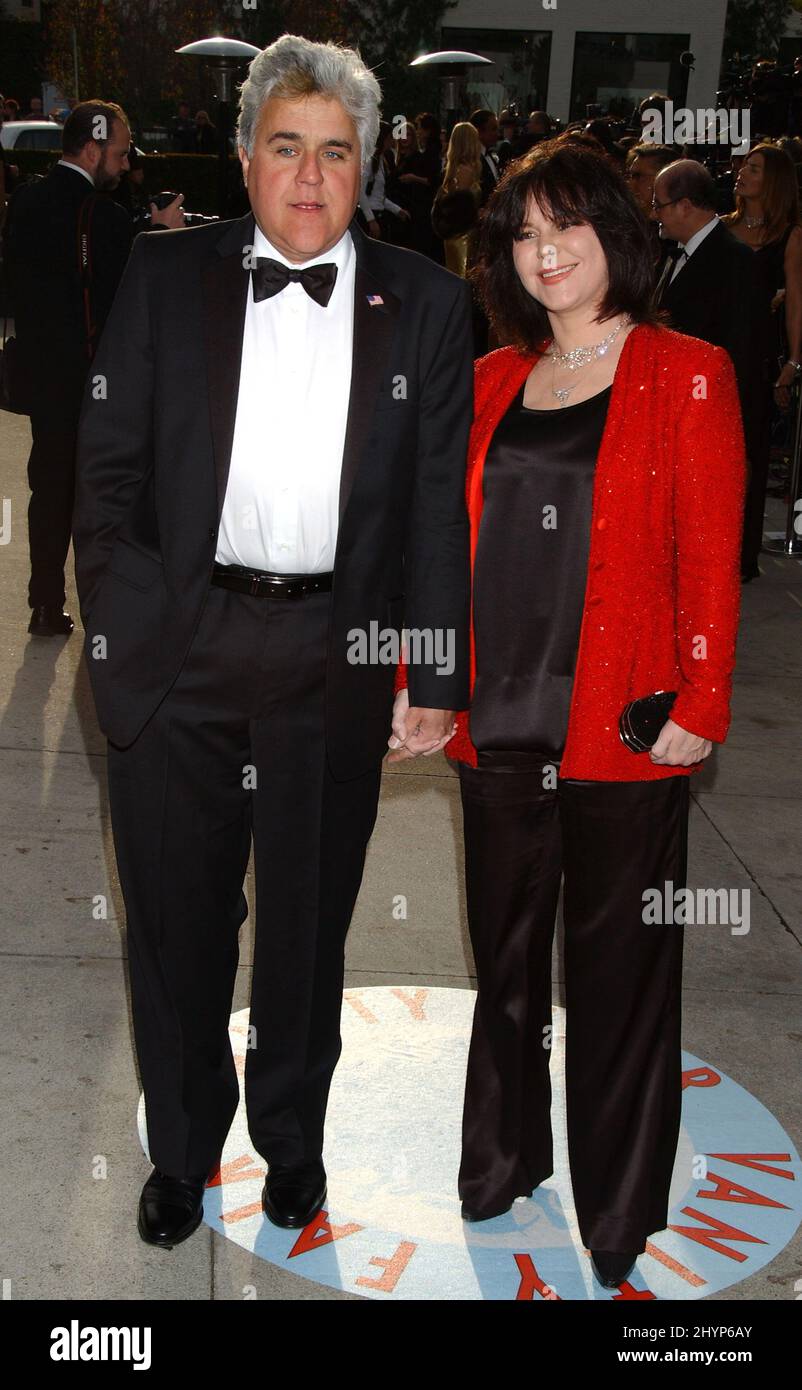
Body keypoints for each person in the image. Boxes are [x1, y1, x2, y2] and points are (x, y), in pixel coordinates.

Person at [71, 32, 472, 1250]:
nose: (309, 177)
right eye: (285, 147)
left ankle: (292, 1142)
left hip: (331, 662)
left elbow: (433, 507)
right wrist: (134, 641)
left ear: (369, 167)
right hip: (181, 655)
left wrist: (432, 669)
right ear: (247, 159)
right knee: (178, 924)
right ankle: (183, 1147)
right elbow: (109, 474)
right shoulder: (165, 271)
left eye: (335, 153)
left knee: (307, 927)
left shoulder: (428, 302)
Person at [390, 139, 746, 1291]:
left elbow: (708, 552)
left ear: (615, 232)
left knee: (618, 975)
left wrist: (703, 698)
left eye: (564, 229)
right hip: (499, 721)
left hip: (625, 726)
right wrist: (421, 682)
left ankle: (619, 1201)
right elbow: (435, 552)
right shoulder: (494, 378)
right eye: (522, 237)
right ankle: (498, 1162)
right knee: (500, 964)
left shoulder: (687, 368)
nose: (544, 254)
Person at [4, 100, 184, 638]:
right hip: (92, 381)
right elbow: (130, 296)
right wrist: (157, 232)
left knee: (49, 487)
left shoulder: (26, 200)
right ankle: (100, 612)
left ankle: (43, 603)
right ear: (92, 148)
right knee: (101, 496)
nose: (127, 164)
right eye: (122, 153)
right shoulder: (101, 217)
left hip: (40, 375)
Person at [724, 142, 802, 579]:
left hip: (757, 360)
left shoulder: (789, 236)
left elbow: (796, 304)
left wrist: (793, 362)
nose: (741, 173)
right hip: (716, 355)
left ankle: (740, 554)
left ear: (771, 181)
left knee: (750, 454)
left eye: (753, 169)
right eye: (743, 166)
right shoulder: (720, 228)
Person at [431, 121, 483, 277]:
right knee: (462, 277)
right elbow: (462, 209)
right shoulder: (464, 171)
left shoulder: (456, 169)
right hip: (463, 237)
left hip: (459, 235)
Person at [357, 120, 410, 240]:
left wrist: (397, 210)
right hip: (370, 216)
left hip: (378, 214)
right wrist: (371, 220)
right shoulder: (370, 161)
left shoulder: (381, 160)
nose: (393, 141)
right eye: (390, 137)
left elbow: (378, 196)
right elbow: (360, 193)